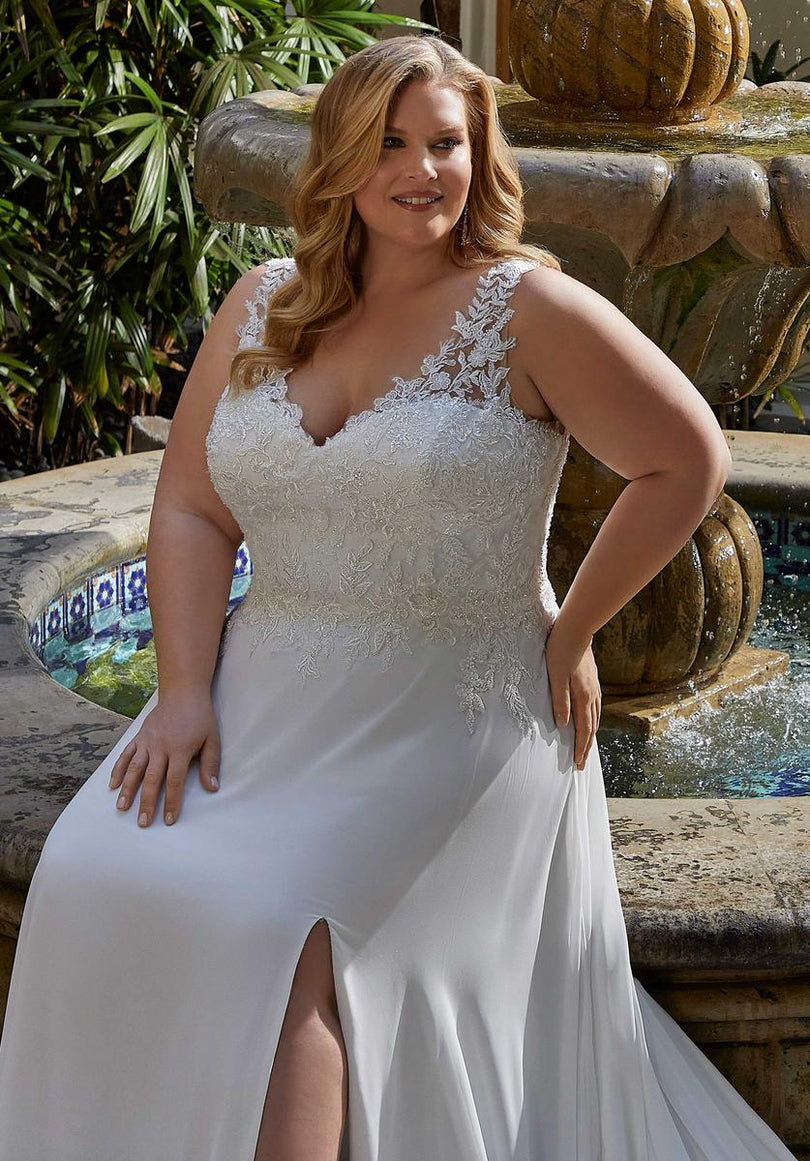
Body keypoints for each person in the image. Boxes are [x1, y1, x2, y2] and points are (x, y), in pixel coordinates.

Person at [0, 32, 798, 1161]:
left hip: (455, 713)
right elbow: (190, 510)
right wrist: (181, 693)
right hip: (266, 697)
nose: (421, 169)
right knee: (93, 868)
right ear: (337, 156)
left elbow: (687, 460)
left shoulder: (527, 309)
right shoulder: (261, 306)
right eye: (389, 143)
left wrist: (572, 629)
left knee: (288, 933)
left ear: (481, 157)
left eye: (446, 144)